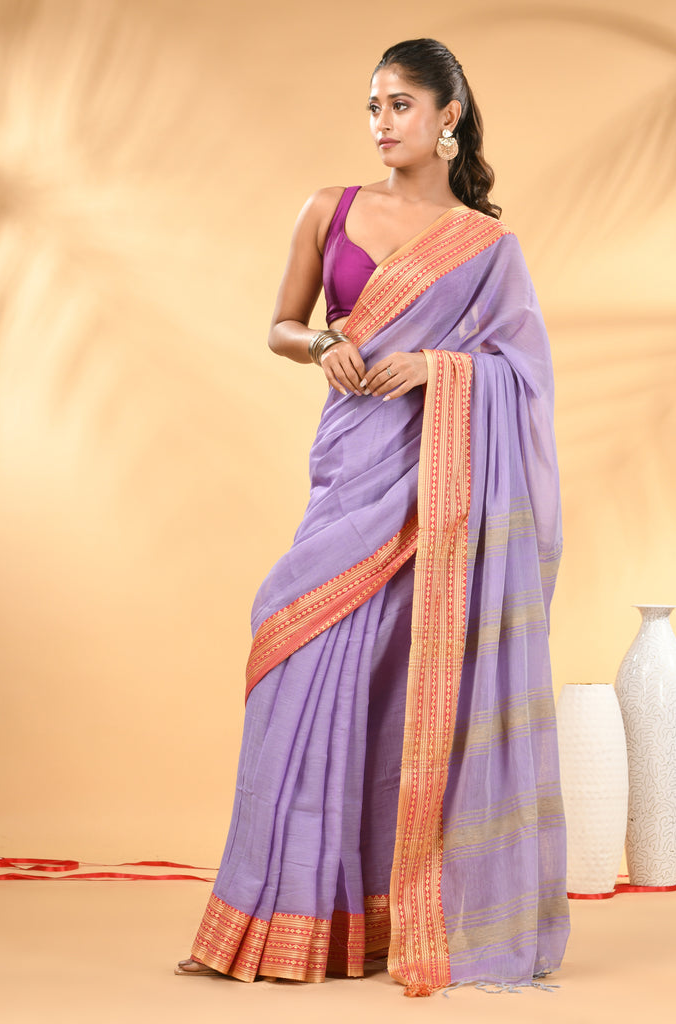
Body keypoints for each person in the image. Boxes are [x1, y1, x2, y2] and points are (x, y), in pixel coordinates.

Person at [176, 37, 570, 997]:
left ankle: (380, 922)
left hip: (432, 498)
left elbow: (525, 377)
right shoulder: (330, 208)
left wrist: (435, 367)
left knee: (395, 697)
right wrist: (322, 346)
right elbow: (281, 324)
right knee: (296, 656)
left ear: (448, 117)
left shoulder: (488, 249)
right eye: (373, 105)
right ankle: (280, 916)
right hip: (351, 475)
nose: (381, 122)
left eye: (400, 105)